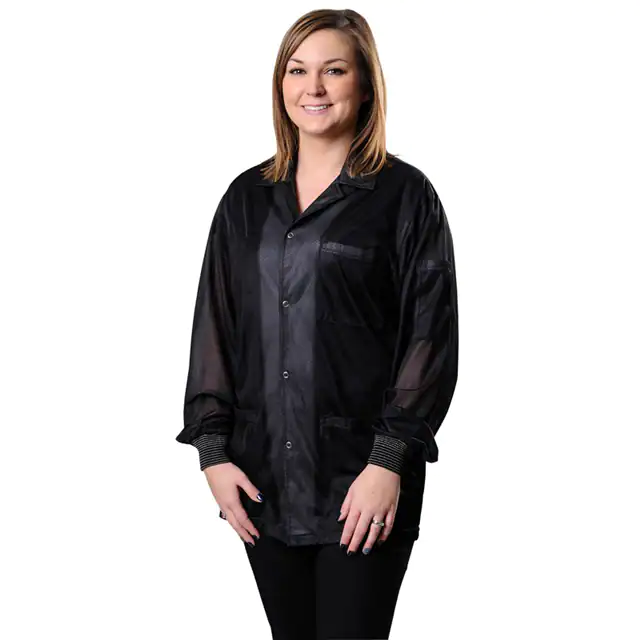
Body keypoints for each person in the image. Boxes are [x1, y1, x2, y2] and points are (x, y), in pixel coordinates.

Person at [175, 8, 459, 640]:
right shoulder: (245, 198)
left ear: (365, 83)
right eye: (298, 71)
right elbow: (215, 326)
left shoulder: (405, 196)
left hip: (362, 485)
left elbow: (430, 337)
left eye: (334, 70)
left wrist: (388, 462)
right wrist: (212, 454)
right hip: (263, 483)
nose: (314, 87)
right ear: (280, 84)